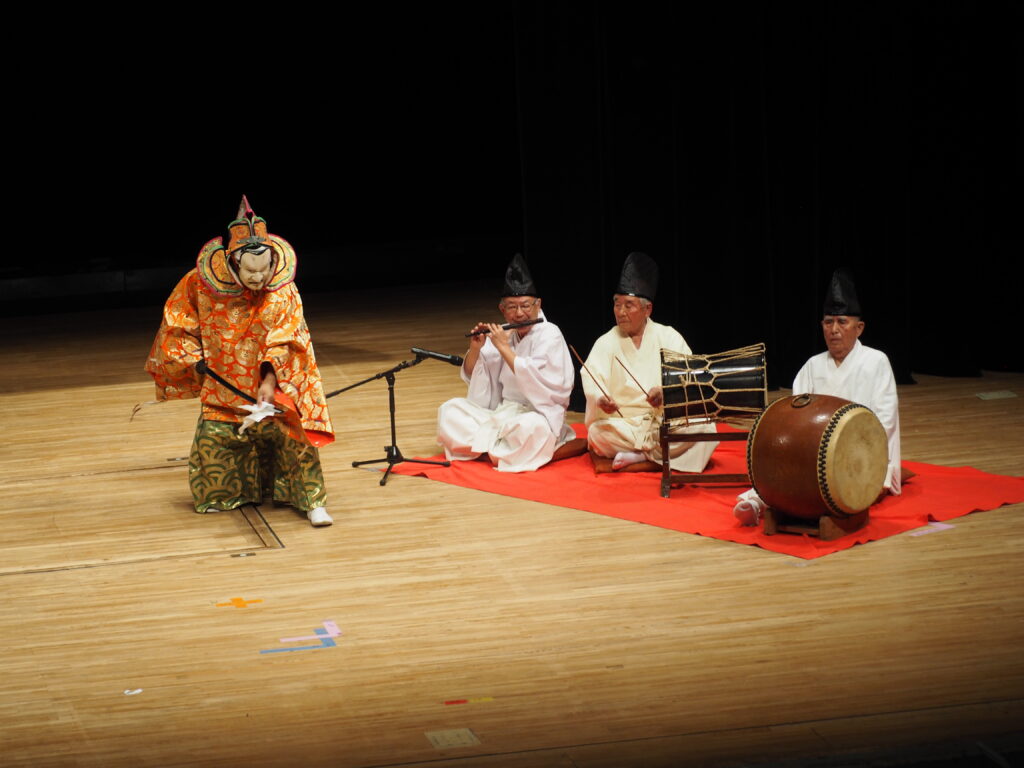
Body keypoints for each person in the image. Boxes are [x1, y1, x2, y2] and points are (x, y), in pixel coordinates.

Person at [145, 196, 335, 527]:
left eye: (264, 270)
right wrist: (195, 359)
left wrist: (269, 381)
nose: (259, 279)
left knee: (293, 437)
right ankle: (223, 494)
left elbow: (289, 339)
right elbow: (176, 324)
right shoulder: (199, 284)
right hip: (224, 383)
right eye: (250, 270)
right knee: (217, 442)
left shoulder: (284, 291)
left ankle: (310, 499)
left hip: (273, 386)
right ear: (233, 262)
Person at [734, 268, 902, 525]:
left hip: (861, 455)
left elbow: (884, 421)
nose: (834, 329)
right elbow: (795, 416)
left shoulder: (876, 361)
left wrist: (849, 445)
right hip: (814, 453)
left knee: (822, 485)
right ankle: (757, 501)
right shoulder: (812, 365)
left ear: (859, 327)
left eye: (842, 322)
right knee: (789, 471)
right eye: (828, 322)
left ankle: (771, 503)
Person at [436, 253, 575, 472]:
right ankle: (504, 448)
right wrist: (476, 348)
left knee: (528, 428)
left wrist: (503, 347)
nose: (519, 314)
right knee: (450, 411)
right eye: (512, 307)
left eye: (525, 306)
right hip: (503, 412)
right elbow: (475, 377)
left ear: (538, 304)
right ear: (502, 309)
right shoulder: (504, 333)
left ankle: (494, 446)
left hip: (536, 414)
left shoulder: (550, 334)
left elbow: (539, 381)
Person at [583, 252, 718, 471]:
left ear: (648, 309)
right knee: (597, 434)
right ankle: (656, 455)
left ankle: (639, 456)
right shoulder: (606, 342)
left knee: (705, 427)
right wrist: (600, 399)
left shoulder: (669, 336)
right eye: (617, 304)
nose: (621, 312)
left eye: (629, 305)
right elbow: (591, 377)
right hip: (624, 424)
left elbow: (690, 376)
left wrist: (667, 392)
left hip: (664, 420)